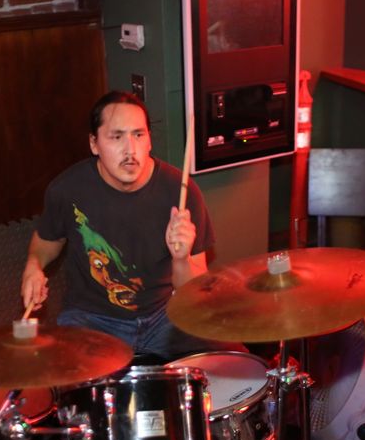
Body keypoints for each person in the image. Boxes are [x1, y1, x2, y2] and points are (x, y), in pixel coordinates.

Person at [20, 91, 245, 361]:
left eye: (138, 135)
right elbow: (46, 242)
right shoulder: (67, 190)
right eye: (116, 137)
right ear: (94, 143)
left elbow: (193, 292)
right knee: (67, 375)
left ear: (149, 140)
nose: (130, 149)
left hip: (165, 315)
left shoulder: (180, 191)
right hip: (92, 319)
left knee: (235, 362)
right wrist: (33, 265)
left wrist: (181, 258)